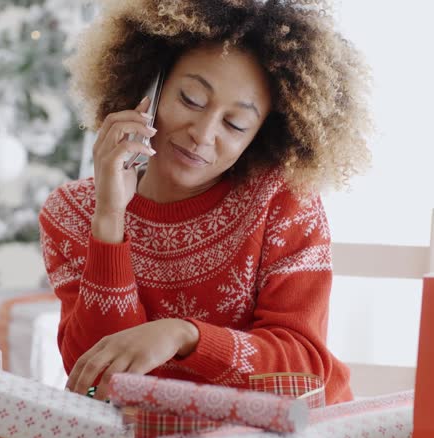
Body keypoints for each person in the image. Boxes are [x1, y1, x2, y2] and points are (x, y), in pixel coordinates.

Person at [39, 0, 372, 404]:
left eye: (235, 124)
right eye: (191, 99)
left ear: (261, 136)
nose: (203, 133)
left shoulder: (282, 202)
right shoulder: (72, 214)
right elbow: (94, 383)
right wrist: (109, 218)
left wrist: (184, 335)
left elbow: (302, 366)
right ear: (151, 85)